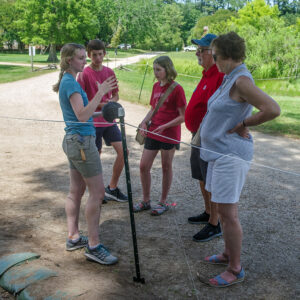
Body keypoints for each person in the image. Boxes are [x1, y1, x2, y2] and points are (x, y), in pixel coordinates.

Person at [199, 32, 280, 287]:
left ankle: (235, 269)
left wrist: (245, 123)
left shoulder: (241, 80)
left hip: (231, 154)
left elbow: (272, 109)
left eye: (214, 56)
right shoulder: (229, 77)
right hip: (219, 153)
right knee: (222, 208)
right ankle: (227, 254)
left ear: (225, 56)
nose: (212, 59)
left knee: (229, 213)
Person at [53, 43, 119, 265]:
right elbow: (82, 115)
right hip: (81, 142)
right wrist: (100, 92)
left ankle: (73, 237)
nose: (85, 61)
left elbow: (83, 113)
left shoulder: (68, 80)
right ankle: (93, 245)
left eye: (84, 57)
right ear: (69, 60)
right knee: (98, 192)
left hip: (75, 140)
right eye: (81, 58)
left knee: (76, 190)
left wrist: (105, 110)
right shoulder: (70, 82)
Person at [133, 56, 186, 215]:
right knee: (143, 166)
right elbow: (152, 108)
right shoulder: (156, 86)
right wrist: (143, 123)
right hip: (153, 131)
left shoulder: (177, 89)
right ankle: (146, 200)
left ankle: (163, 202)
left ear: (167, 69)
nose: (155, 73)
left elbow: (183, 116)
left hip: (169, 134)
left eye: (159, 70)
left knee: (166, 167)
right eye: (154, 69)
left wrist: (165, 126)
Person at [77, 39, 128, 203]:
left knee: (124, 152)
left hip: (109, 121)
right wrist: (102, 103)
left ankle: (112, 188)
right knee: (95, 158)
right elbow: (82, 101)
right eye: (94, 55)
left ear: (104, 54)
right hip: (93, 121)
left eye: (100, 54)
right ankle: (97, 192)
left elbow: (116, 95)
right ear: (89, 55)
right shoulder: (84, 74)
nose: (98, 58)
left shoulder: (109, 72)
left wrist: (111, 102)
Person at [185, 34, 225, 242]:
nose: (198, 53)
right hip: (198, 136)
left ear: (213, 53)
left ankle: (215, 223)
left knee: (211, 179)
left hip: (208, 138)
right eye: (197, 49)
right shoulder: (206, 73)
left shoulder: (219, 75)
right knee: (201, 177)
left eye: (202, 50)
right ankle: (209, 212)